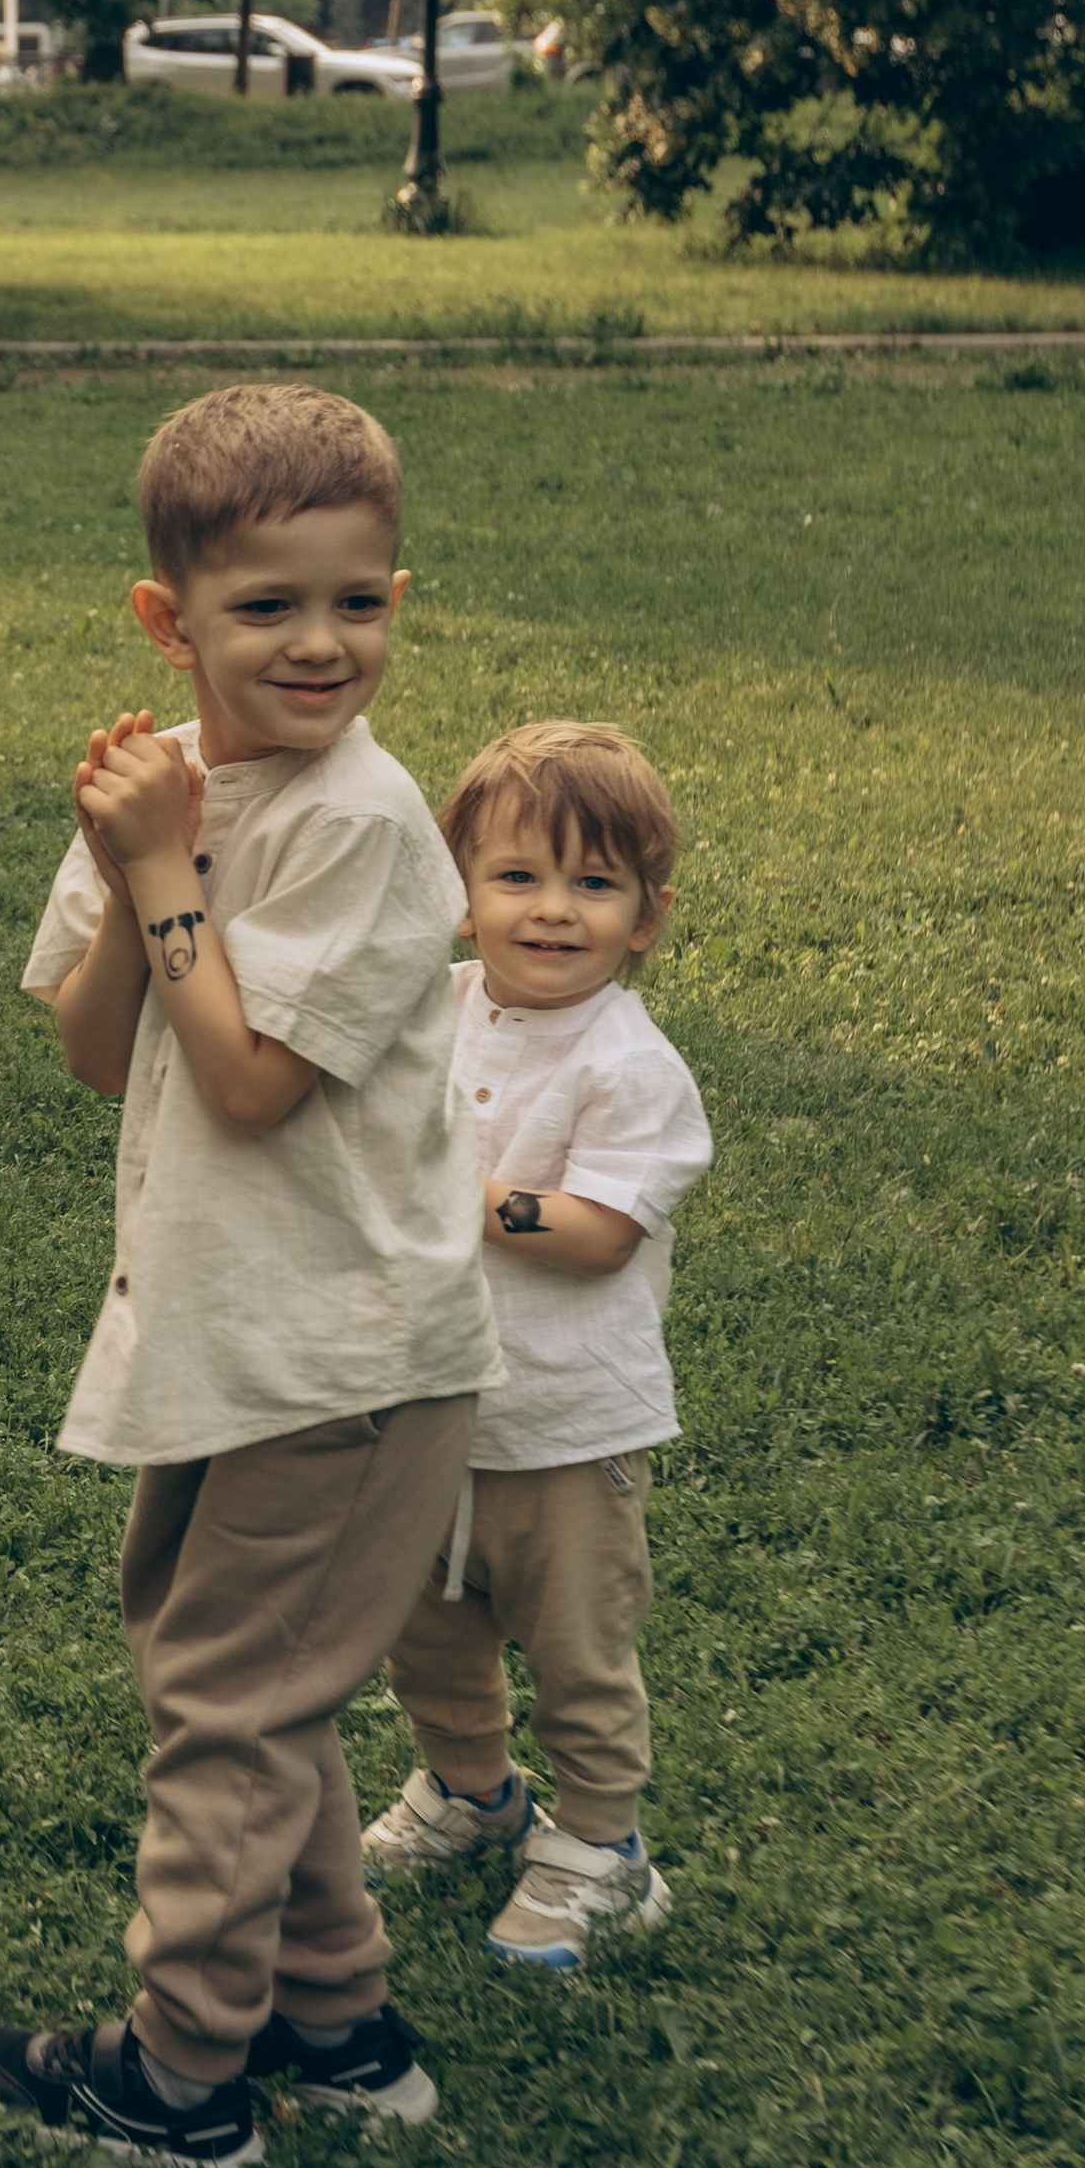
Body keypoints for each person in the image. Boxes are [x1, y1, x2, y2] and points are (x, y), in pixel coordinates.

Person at [0, 384, 501, 2168]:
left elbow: (257, 1084)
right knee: (241, 1678)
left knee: (231, 1706)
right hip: (231, 1331)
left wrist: (176, 872)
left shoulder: (365, 823)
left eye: (359, 602)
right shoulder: (171, 792)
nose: (322, 643)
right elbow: (102, 1056)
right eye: (268, 606)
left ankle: (180, 2077)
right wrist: (136, 865)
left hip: (344, 1353)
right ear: (167, 618)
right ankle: (334, 2025)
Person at [363, 723, 711, 1972]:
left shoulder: (627, 1063)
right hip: (426, 1406)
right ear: (460, 896)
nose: (553, 909)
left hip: (567, 1426)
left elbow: (601, 1232)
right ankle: (472, 1791)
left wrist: (455, 1198)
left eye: (593, 884)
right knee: (427, 1625)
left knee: (578, 1649)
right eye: (516, 877)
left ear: (645, 918)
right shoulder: (439, 1011)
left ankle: (601, 1850)